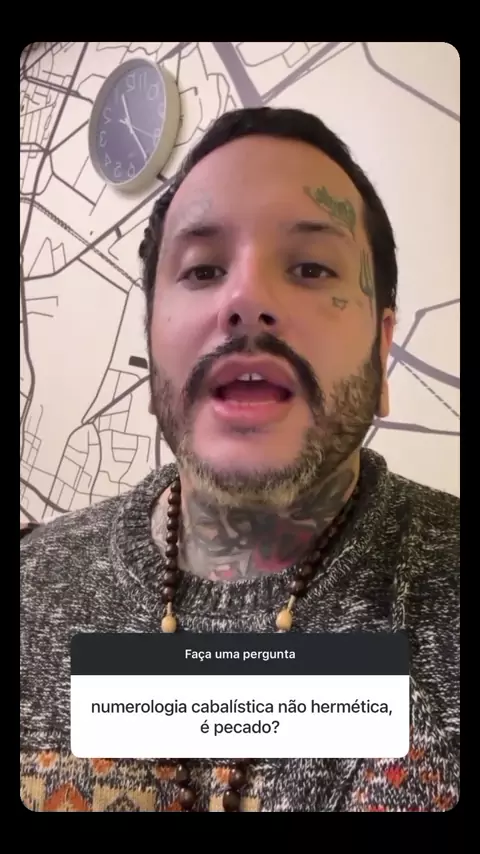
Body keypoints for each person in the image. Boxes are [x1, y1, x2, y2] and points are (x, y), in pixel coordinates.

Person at [20, 106, 459, 813]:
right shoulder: (31, 586)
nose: (246, 298)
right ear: (150, 342)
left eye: (311, 267)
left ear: (382, 351)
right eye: (202, 269)